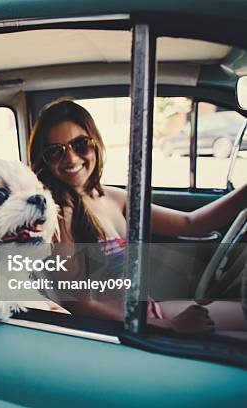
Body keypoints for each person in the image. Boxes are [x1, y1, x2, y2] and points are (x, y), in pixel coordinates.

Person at [28, 98, 247, 333]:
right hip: (128, 329)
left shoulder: (113, 197)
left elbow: (190, 223)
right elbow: (80, 304)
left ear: (95, 144)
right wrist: (167, 326)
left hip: (149, 311)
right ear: (44, 160)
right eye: (55, 152)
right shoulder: (58, 216)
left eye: (80, 144)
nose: (71, 159)